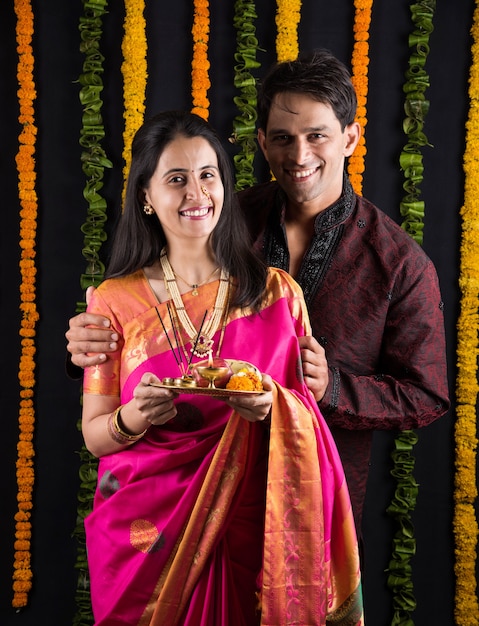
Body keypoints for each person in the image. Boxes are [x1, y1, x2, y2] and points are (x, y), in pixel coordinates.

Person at [66, 49, 450, 543]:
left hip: (311, 494)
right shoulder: (217, 214)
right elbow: (143, 311)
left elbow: (426, 394)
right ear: (263, 144)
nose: (300, 156)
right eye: (284, 139)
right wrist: (87, 345)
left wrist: (331, 388)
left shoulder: (398, 262)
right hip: (181, 492)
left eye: (317, 136)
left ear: (350, 138)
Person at [79, 109, 363, 625]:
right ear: (146, 195)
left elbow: (305, 415)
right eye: (177, 179)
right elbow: (97, 437)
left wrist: (270, 404)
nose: (197, 192)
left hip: (251, 520)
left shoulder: (278, 293)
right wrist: (138, 416)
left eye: (209, 175)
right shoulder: (113, 302)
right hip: (147, 529)